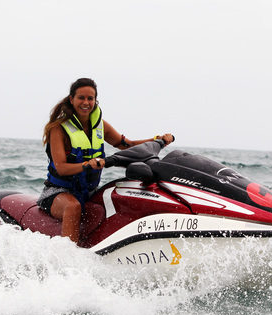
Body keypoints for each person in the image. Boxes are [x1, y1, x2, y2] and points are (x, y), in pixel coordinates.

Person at [38, 78, 173, 243]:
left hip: (88, 192)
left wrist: (156, 140)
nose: (86, 102)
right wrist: (86, 164)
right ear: (72, 99)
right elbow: (61, 168)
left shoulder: (100, 126)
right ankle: (68, 258)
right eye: (81, 98)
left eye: (90, 98)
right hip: (57, 192)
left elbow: (126, 144)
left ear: (95, 101)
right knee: (73, 208)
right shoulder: (58, 129)